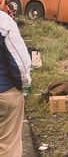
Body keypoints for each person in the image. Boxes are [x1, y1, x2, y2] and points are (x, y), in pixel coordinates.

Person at [0, 11, 32, 156]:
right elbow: (20, 63)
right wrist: (23, 87)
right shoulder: (3, 22)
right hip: (4, 91)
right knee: (8, 146)